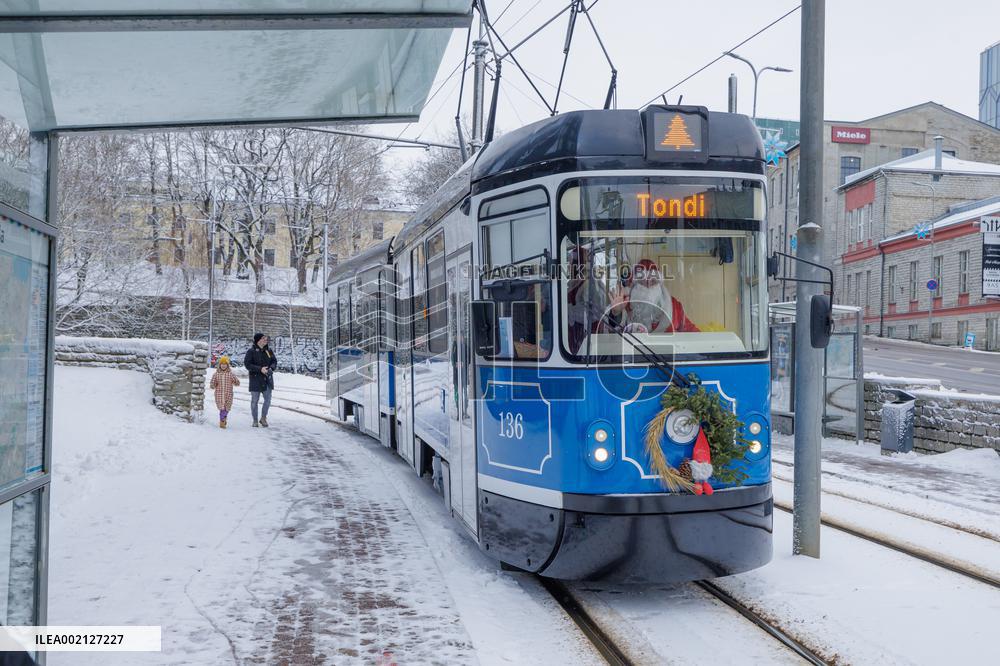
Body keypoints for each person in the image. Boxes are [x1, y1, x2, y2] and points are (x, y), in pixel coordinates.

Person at [612, 258, 700, 333]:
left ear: (659, 284)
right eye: (642, 281)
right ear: (635, 285)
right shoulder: (624, 303)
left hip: (665, 352)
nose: (648, 286)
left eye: (653, 281)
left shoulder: (674, 305)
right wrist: (616, 313)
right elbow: (610, 334)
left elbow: (691, 332)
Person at [244, 333, 277, 428]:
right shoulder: (251, 351)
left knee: (268, 400)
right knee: (254, 401)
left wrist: (271, 368)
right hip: (255, 379)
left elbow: (274, 361)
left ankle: (263, 418)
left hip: (267, 379)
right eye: (263, 338)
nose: (265, 340)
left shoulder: (269, 350)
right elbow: (247, 364)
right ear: (258, 340)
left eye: (266, 338)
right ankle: (255, 420)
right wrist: (260, 369)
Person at [209, 355, 240, 429]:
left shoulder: (230, 374)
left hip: (228, 394)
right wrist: (212, 385)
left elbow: (236, 381)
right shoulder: (216, 374)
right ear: (219, 365)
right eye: (222, 364)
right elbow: (213, 382)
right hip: (219, 394)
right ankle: (222, 421)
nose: (223, 366)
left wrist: (236, 382)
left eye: (225, 364)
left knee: (227, 407)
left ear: (227, 365)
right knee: (221, 408)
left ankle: (223, 418)